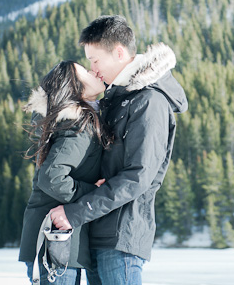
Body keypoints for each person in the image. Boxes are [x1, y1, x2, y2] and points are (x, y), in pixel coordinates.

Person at [49, 15, 188, 285]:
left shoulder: (148, 101)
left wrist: (76, 212)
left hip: (121, 238)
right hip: (98, 232)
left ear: (119, 52)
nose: (93, 68)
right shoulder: (116, 99)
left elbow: (138, 176)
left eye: (95, 60)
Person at [18, 61, 113, 285]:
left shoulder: (70, 121)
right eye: (85, 72)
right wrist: (94, 192)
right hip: (55, 240)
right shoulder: (77, 123)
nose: (92, 71)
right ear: (75, 87)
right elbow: (52, 177)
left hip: (56, 240)